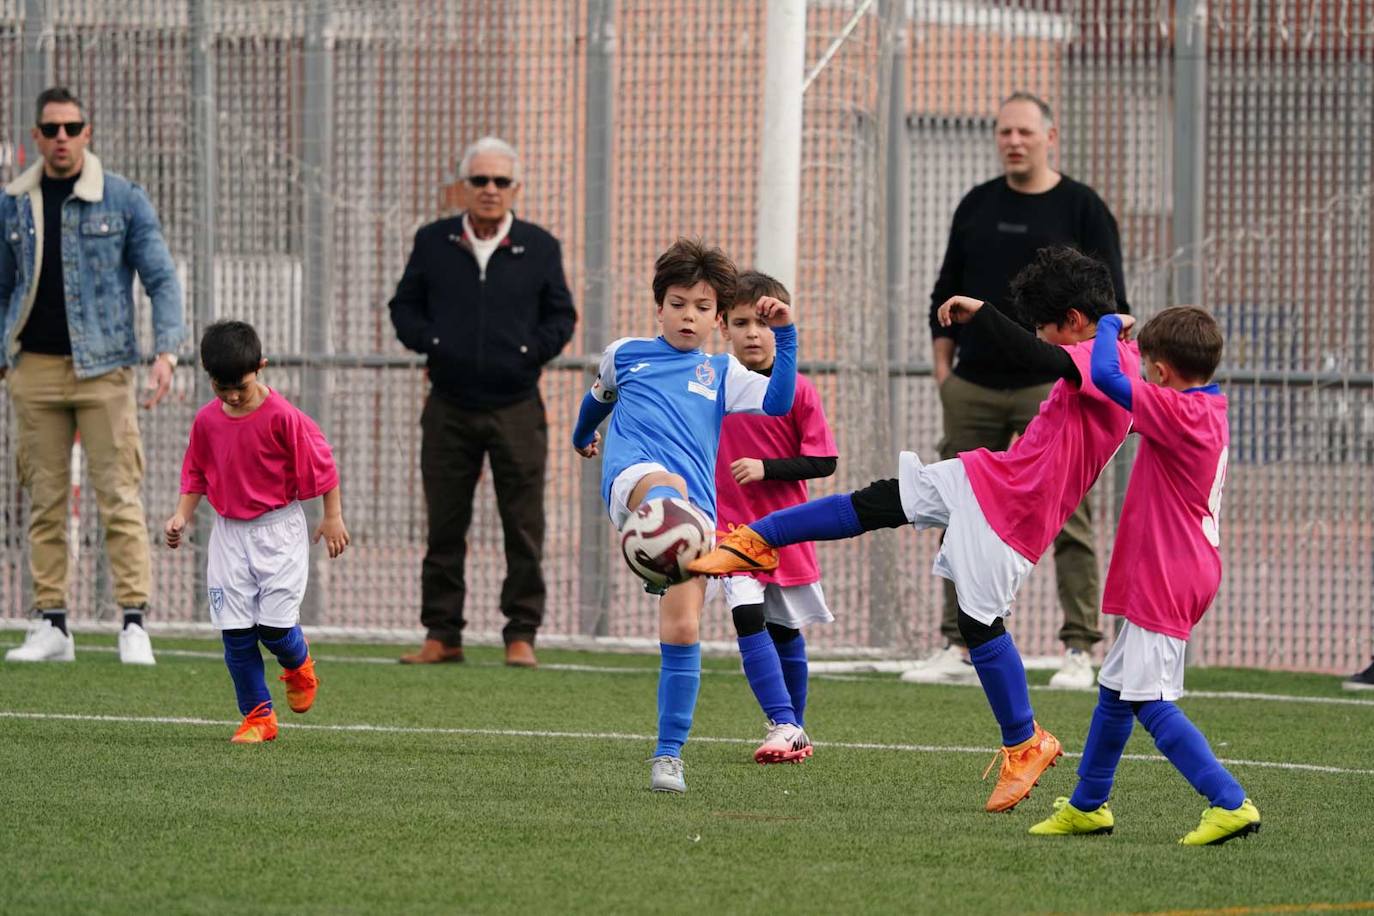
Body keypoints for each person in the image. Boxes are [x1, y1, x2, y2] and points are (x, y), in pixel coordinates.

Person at [691, 246, 1136, 813]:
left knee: (980, 628)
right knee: (880, 501)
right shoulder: (1114, 347)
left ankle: (1026, 742)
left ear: (1074, 323)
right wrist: (1115, 322)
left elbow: (1044, 357)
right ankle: (753, 540)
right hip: (992, 476)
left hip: (1015, 515)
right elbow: (1079, 344)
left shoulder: (1110, 362)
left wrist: (986, 315)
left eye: (1048, 329)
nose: (1044, 339)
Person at [911, 91, 1129, 690]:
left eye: (1025, 132)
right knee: (960, 506)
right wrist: (944, 375)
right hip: (974, 386)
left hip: (1053, 387)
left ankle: (1080, 648)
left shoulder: (1083, 207)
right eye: (1004, 131)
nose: (1014, 141)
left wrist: (1090, 369)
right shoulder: (977, 204)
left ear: (1050, 136)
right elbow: (943, 290)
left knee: (1070, 515)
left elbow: (1115, 305)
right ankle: (959, 642)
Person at [1028, 306, 1261, 845]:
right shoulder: (1202, 406)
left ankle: (1230, 801)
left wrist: (1108, 326)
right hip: (1182, 566)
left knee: (1149, 701)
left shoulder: (1179, 412)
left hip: (1169, 573)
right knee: (1115, 690)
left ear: (1159, 372)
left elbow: (1108, 378)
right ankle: (1089, 804)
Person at [571, 239, 797, 794]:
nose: (688, 316)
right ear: (659, 308)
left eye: (701, 307)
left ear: (716, 318)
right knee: (665, 486)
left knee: (683, 628)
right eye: (678, 304)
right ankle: (651, 533)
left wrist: (786, 335)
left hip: (694, 520)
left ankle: (668, 755)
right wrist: (582, 437)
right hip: (635, 484)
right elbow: (599, 397)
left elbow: (780, 402)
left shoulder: (722, 372)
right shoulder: (625, 353)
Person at [2, 86, 185, 666]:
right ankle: (51, 622)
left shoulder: (124, 198)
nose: (61, 138)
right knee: (45, 500)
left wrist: (166, 351)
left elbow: (161, 277)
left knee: (118, 495)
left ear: (88, 133)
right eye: (51, 128)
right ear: (36, 135)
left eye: (72, 127)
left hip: (106, 370)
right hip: (32, 368)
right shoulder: (12, 202)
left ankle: (133, 622)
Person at [389, 136, 576, 669]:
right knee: (445, 523)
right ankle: (441, 633)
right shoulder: (433, 241)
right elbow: (403, 307)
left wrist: (527, 353)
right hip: (448, 405)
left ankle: (521, 633)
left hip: (518, 406)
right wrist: (435, 343)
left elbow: (561, 318)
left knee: (523, 523)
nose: (490, 190)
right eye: (480, 181)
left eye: (500, 181)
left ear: (516, 188)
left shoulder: (540, 246)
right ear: (462, 187)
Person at [165, 320, 348, 744]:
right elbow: (195, 473)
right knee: (236, 633)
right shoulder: (207, 421)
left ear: (261, 367)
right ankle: (258, 717)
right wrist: (181, 516)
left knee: (274, 629)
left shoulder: (285, 418)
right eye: (220, 386)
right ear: (208, 376)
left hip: (278, 531)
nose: (230, 395)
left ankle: (298, 663)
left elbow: (323, 465)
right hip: (229, 535)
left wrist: (332, 515)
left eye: (240, 387)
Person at [712, 271, 837, 764]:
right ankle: (784, 722)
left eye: (762, 323)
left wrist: (767, 469)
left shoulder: (799, 391)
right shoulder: (713, 383)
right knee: (747, 616)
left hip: (785, 530)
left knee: (785, 631)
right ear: (723, 327)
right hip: (730, 531)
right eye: (740, 322)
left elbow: (824, 462)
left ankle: (793, 730)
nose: (751, 333)